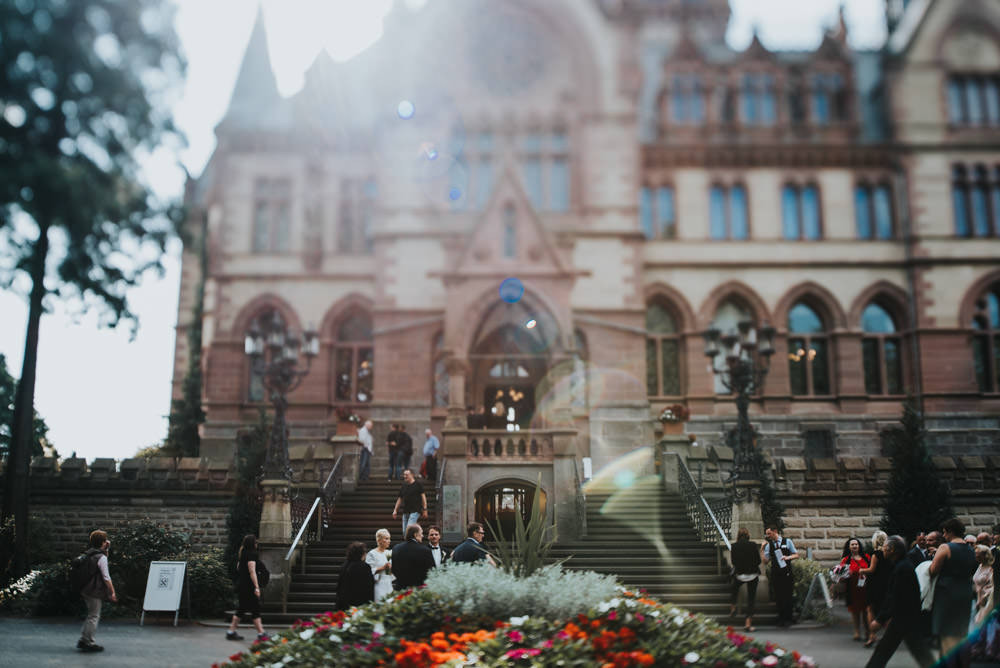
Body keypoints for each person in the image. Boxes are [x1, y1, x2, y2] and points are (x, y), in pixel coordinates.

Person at [865, 535, 936, 668]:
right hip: (907, 617)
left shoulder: (902, 568)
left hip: (903, 617)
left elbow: (895, 597)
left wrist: (880, 619)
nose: (883, 550)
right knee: (918, 652)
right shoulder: (902, 566)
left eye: (885, 547)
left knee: (883, 651)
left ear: (892, 550)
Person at [929, 517, 978, 655]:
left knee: (946, 632)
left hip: (946, 593)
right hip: (965, 592)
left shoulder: (945, 547)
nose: (943, 536)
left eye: (944, 532)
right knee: (960, 632)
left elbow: (933, 571)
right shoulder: (971, 550)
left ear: (950, 532)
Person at [77, 529, 117, 653]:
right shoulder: (101, 557)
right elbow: (106, 577)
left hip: (85, 588)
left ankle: (84, 639)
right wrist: (112, 592)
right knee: (94, 616)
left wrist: (106, 549)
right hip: (93, 590)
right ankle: (88, 642)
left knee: (91, 615)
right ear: (103, 542)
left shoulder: (90, 553)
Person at [227, 534, 268, 643]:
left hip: (242, 585)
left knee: (241, 609)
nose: (257, 544)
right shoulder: (251, 554)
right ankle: (261, 633)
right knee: (255, 609)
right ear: (252, 544)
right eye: (255, 542)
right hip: (249, 587)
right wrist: (256, 587)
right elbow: (252, 572)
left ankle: (231, 631)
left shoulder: (243, 554)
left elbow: (238, 568)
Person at [762, 525, 798, 627]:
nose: (767, 535)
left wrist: (788, 557)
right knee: (778, 596)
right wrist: (762, 549)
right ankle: (781, 618)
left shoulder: (787, 542)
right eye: (767, 534)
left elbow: (796, 554)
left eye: (769, 533)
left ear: (775, 531)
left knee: (788, 594)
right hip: (776, 573)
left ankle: (789, 618)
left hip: (787, 572)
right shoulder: (769, 545)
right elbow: (765, 561)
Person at [861, 531, 891, 647]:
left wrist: (862, 570)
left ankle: (872, 636)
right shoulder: (889, 553)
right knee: (887, 609)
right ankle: (888, 637)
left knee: (870, 609)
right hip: (887, 584)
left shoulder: (876, 554)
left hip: (874, 585)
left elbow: (872, 570)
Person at [728, 527, 761, 632]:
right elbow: (758, 561)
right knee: (751, 599)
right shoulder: (753, 545)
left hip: (740, 575)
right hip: (752, 575)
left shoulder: (734, 546)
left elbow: (733, 562)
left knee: (734, 589)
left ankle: (733, 606)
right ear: (747, 535)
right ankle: (747, 624)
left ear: (738, 535)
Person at [839, 537, 872, 642]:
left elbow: (872, 570)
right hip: (852, 589)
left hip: (865, 588)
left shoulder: (866, 557)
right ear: (849, 547)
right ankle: (857, 631)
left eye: (856, 544)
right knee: (855, 611)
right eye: (852, 544)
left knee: (866, 611)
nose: (854, 546)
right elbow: (841, 574)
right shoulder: (845, 560)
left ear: (859, 546)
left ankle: (868, 631)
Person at [390, 524, 435, 590]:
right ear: (415, 535)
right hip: (417, 590)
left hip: (400, 589)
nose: (422, 536)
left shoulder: (396, 548)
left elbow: (393, 569)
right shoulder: (425, 550)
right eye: (421, 533)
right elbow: (431, 571)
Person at [336, 541, 374, 610]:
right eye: (365, 552)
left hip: (345, 603)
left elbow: (339, 585)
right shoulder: (365, 567)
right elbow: (369, 587)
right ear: (361, 554)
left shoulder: (344, 566)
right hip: (359, 603)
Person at [392, 468, 427, 537]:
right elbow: (400, 498)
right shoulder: (404, 486)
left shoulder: (418, 484)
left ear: (412, 475)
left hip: (415, 510)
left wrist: (425, 509)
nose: (405, 476)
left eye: (407, 475)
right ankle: (415, 538)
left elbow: (423, 497)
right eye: (404, 475)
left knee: (408, 529)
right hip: (406, 511)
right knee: (405, 531)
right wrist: (395, 510)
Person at [365, 529, 395, 602]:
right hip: (378, 584)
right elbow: (368, 571)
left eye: (389, 538)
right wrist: (383, 567)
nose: (389, 541)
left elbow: (390, 572)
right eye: (386, 538)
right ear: (379, 540)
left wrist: (391, 570)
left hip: (388, 584)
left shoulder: (389, 553)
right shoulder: (372, 554)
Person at [973, 544, 995, 627]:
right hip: (978, 599)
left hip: (987, 600)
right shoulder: (980, 566)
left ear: (985, 555)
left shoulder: (991, 568)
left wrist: (985, 596)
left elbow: (993, 586)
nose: (976, 556)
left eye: (978, 555)